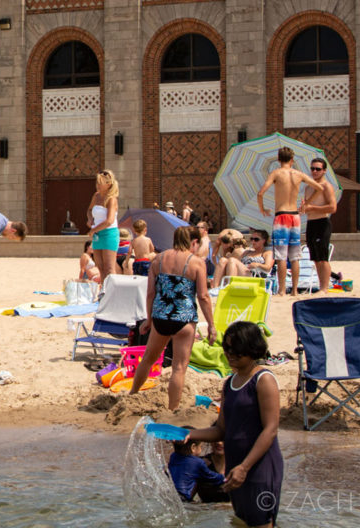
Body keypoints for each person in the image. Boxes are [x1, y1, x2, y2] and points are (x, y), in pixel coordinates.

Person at [186, 321, 283, 528]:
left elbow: (270, 429)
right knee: (242, 522)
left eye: (236, 350)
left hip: (259, 467)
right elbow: (221, 430)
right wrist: (188, 435)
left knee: (261, 523)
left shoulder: (263, 379)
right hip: (236, 466)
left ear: (251, 348)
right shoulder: (229, 383)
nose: (230, 354)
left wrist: (245, 467)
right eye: (227, 348)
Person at [129, 226, 215, 410]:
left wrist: (149, 319)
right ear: (193, 242)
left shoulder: (158, 260)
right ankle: (172, 410)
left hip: (160, 317)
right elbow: (203, 296)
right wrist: (211, 325)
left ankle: (132, 394)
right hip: (184, 318)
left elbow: (150, 293)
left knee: (148, 359)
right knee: (179, 367)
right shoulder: (197, 262)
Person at [257, 147, 324, 296]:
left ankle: (281, 290)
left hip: (281, 216)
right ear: (292, 160)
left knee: (281, 255)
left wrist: (262, 209)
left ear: (279, 159)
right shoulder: (298, 174)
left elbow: (260, 193)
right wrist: (307, 203)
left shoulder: (276, 173)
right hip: (295, 216)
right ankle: (294, 290)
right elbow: (319, 188)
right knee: (295, 256)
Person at [302, 157, 337, 292]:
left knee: (323, 258)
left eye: (318, 169)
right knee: (315, 258)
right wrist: (304, 208)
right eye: (312, 169)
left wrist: (313, 208)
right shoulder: (308, 188)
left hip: (322, 222)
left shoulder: (326, 186)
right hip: (311, 223)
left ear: (324, 171)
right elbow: (307, 207)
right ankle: (321, 285)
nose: (315, 171)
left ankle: (324, 287)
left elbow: (332, 208)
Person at [168, 432, 228, 503]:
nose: (219, 443)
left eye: (223, 439)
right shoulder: (200, 463)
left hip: (173, 496)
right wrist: (224, 478)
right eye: (200, 447)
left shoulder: (173, 456)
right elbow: (211, 476)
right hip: (190, 502)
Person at [86, 170, 120, 278]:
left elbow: (109, 221)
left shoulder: (111, 199)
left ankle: (112, 292)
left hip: (109, 233)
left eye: (100, 183)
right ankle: (103, 291)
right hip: (97, 234)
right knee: (100, 267)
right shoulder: (96, 196)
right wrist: (90, 219)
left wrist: (93, 230)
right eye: (97, 183)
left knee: (109, 268)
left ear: (108, 184)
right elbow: (89, 210)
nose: (98, 186)